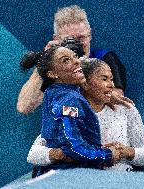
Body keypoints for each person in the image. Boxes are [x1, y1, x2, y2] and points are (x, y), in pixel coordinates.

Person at [27, 58, 144, 174]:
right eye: (104, 79)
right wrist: (68, 154)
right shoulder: (69, 110)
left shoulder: (126, 109)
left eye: (112, 79)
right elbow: (33, 154)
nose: (112, 85)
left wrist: (124, 151)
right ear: (85, 84)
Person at [20, 46, 122, 176]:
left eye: (75, 56)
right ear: (52, 74)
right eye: (66, 60)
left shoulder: (53, 92)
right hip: (68, 177)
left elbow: (66, 140)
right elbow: (72, 148)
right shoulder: (70, 101)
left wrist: (95, 148)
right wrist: (108, 155)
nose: (77, 61)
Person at [17, 5, 127, 114]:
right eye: (70, 40)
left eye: (81, 38)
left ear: (90, 35)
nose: (76, 45)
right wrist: (44, 62)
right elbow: (24, 107)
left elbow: (117, 102)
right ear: (57, 40)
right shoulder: (53, 68)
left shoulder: (105, 58)